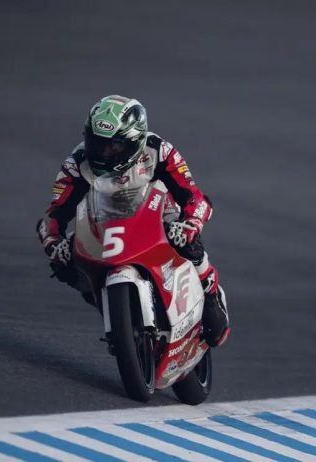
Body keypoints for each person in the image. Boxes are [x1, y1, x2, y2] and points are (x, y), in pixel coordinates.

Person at [36, 95, 229, 347]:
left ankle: (210, 293)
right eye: (97, 143)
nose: (104, 153)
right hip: (104, 220)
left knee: (187, 242)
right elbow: (54, 214)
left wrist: (191, 223)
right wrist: (53, 243)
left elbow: (195, 197)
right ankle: (115, 310)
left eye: (114, 146)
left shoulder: (159, 150)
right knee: (66, 265)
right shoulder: (76, 164)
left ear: (135, 141)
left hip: (159, 212)